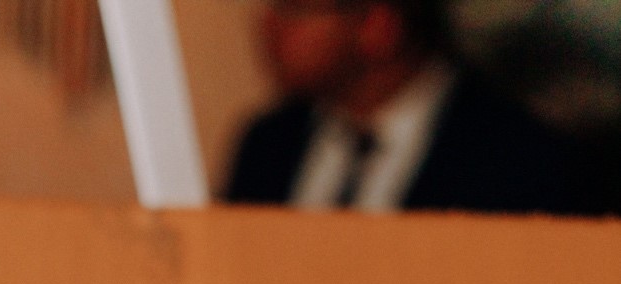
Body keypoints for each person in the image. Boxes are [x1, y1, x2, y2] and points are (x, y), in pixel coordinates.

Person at [226, 0, 596, 216]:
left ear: (379, 26)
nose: (269, 26)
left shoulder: (519, 157)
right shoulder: (268, 144)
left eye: (297, 8)